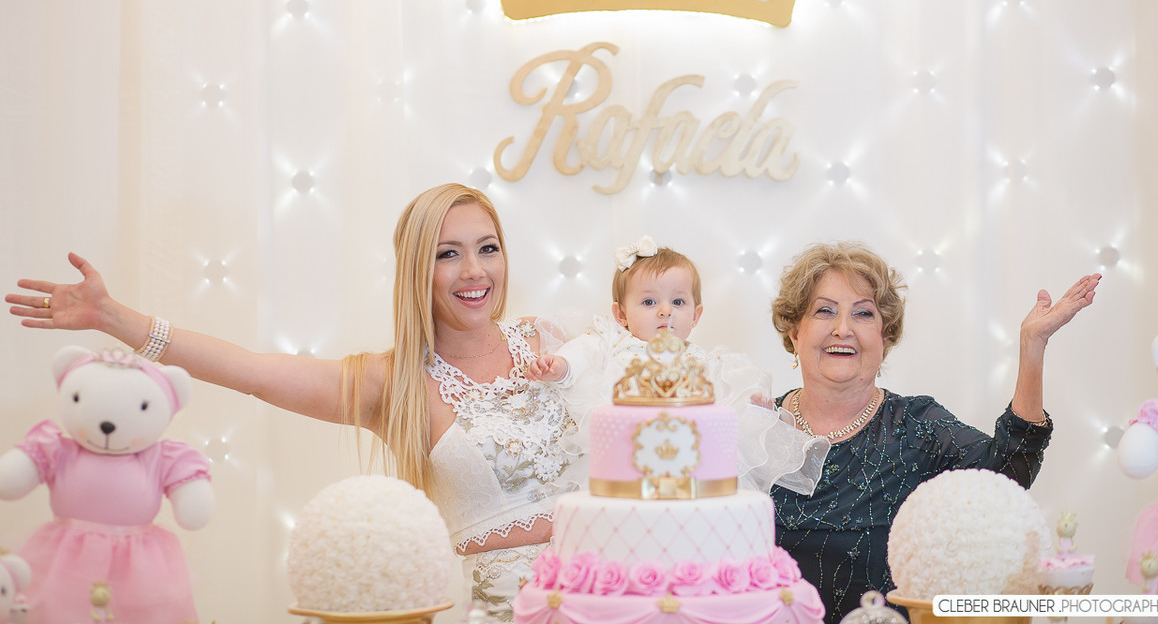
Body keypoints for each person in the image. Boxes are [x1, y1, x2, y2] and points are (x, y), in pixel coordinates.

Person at [5, 183, 586, 622]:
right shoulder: (394, 385)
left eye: (488, 247)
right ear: (416, 269)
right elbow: (252, 372)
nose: (475, 270)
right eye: (447, 254)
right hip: (505, 609)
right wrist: (113, 317)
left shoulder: (561, 341)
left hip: (619, 585)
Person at [766, 241, 1100, 624]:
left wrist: (1032, 346)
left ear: (885, 336)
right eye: (825, 311)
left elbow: (1008, 473)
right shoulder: (758, 426)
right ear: (794, 332)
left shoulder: (916, 426)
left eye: (863, 314)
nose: (843, 329)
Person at [527, 235, 829, 494]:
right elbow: (583, 354)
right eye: (648, 302)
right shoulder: (611, 340)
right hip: (625, 452)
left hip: (687, 458)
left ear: (696, 316)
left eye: (678, 302)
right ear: (620, 315)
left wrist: (752, 409)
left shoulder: (702, 361)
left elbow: (726, 400)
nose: (664, 312)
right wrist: (562, 365)